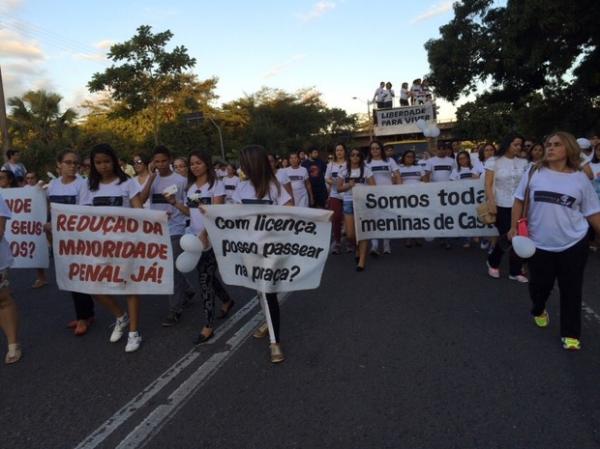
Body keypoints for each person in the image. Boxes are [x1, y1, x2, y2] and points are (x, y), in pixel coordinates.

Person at [510, 132, 600, 351]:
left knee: (572, 289)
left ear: (568, 149)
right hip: (539, 244)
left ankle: (571, 334)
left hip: (574, 243)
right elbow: (519, 200)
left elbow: (592, 211)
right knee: (540, 286)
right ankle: (538, 309)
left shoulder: (580, 179)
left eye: (556, 144)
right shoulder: (534, 172)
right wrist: (513, 227)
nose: (550, 148)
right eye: (548, 144)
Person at [79, 143, 143, 352]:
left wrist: (154, 221)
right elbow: (84, 217)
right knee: (93, 287)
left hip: (125, 243)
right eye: (98, 163)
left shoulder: (127, 183)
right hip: (99, 245)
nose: (103, 166)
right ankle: (120, 317)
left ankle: (134, 333)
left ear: (114, 162)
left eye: (106, 161)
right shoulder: (89, 187)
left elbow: (138, 210)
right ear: (92, 165)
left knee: (129, 286)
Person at [232, 145, 292, 363]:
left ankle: (275, 342)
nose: (241, 167)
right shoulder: (241, 188)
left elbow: (290, 210)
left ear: (252, 164)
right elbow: (233, 214)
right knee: (259, 291)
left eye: (243, 163)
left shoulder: (274, 187)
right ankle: (268, 321)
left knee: (267, 292)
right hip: (249, 248)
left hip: (270, 250)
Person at [184, 150, 235, 345]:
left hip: (211, 238)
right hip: (194, 238)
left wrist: (205, 234)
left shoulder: (216, 185)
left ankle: (208, 325)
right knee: (207, 275)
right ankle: (227, 300)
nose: (194, 166)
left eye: (198, 162)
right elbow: (190, 212)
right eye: (192, 163)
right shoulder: (190, 187)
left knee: (204, 279)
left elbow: (216, 213)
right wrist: (175, 204)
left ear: (206, 163)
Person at [139, 146, 192, 327]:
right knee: (170, 268)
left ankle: (174, 309)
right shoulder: (152, 179)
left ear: (170, 160)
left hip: (176, 229)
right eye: (157, 161)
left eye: (164, 161)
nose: (160, 165)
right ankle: (188, 289)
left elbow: (188, 206)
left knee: (171, 271)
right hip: (157, 230)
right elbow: (141, 199)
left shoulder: (181, 180)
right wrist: (151, 178)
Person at [47, 150, 95, 336]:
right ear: (58, 164)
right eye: (68, 162)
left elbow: (84, 212)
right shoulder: (52, 185)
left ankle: (83, 318)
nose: (72, 166)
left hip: (78, 238)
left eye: (75, 163)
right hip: (61, 239)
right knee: (70, 276)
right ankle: (86, 314)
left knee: (78, 276)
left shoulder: (83, 184)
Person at [484, 133, 529, 282]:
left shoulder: (524, 163)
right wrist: (491, 202)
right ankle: (493, 261)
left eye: (520, 145)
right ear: (507, 144)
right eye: (515, 144)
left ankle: (515, 271)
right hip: (501, 204)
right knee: (507, 236)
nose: (518, 147)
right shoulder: (494, 161)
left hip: (520, 205)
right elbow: (488, 184)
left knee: (519, 236)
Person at [337, 148, 375, 271]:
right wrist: (348, 185)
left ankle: (362, 260)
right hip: (348, 202)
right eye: (352, 155)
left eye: (358, 155)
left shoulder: (367, 170)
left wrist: (365, 191)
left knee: (362, 231)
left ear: (361, 157)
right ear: (349, 157)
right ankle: (357, 247)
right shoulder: (343, 171)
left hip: (363, 203)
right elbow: (338, 188)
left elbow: (374, 187)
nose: (355, 157)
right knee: (350, 235)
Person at [366, 140, 400, 255]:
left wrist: (400, 190)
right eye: (372, 149)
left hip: (387, 196)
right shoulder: (366, 163)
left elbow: (397, 175)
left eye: (377, 148)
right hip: (372, 196)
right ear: (370, 151)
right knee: (373, 220)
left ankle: (386, 245)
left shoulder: (390, 161)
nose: (375, 150)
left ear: (381, 149)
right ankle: (374, 246)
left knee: (386, 220)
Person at [398, 150, 426, 248]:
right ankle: (408, 238)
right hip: (405, 196)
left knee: (417, 217)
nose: (409, 158)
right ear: (404, 158)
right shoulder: (399, 168)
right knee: (407, 217)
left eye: (411, 157)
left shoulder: (419, 167)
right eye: (407, 156)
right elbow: (396, 182)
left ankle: (417, 237)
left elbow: (425, 180)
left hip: (418, 196)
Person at [325, 143, 347, 255]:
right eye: (337, 150)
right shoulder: (331, 165)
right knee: (336, 218)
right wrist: (335, 183)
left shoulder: (349, 164)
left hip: (348, 194)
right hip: (335, 194)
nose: (339, 152)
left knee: (349, 219)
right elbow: (326, 178)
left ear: (344, 151)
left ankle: (352, 243)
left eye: (341, 150)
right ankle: (337, 242)